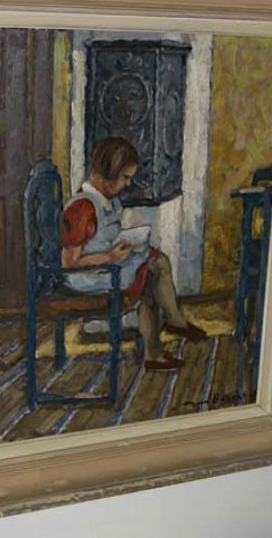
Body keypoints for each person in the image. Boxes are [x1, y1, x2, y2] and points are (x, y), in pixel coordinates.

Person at [61, 137, 207, 371]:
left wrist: (127, 244)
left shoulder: (110, 202)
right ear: (108, 173)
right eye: (125, 177)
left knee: (154, 263)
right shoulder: (82, 207)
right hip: (88, 276)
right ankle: (172, 326)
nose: (128, 184)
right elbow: (69, 263)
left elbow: (106, 241)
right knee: (154, 266)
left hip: (106, 268)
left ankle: (156, 350)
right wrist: (110, 257)